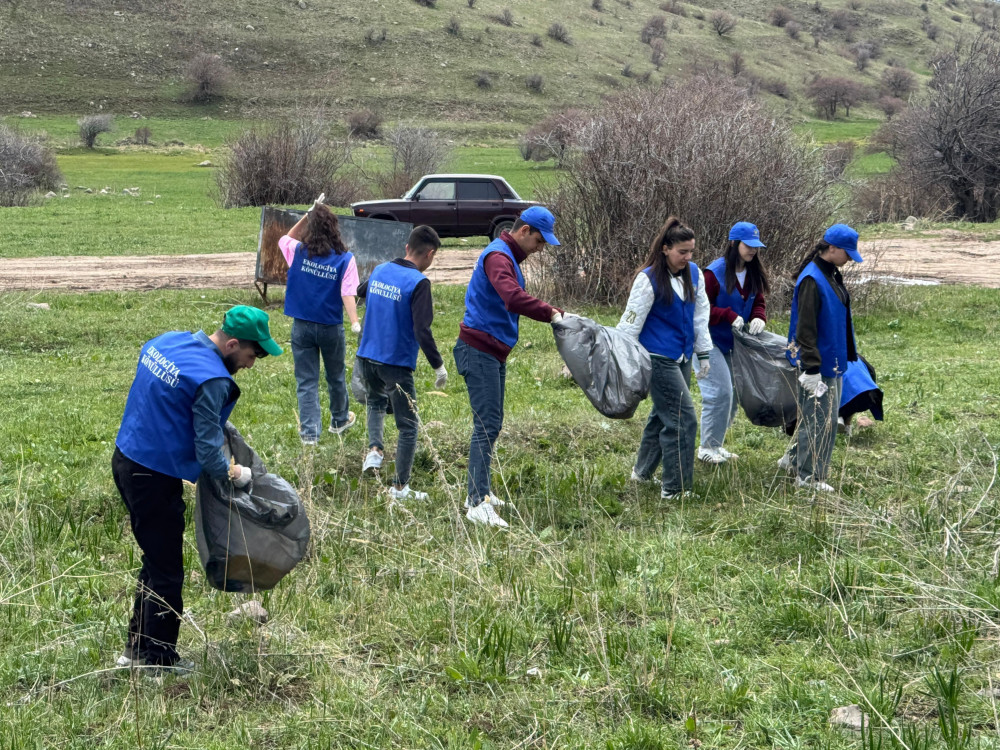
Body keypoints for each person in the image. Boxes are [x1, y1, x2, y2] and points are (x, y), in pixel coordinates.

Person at [112, 305, 282, 672]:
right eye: (251, 355)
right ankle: (157, 660)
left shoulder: (167, 342)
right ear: (233, 344)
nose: (251, 364)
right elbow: (207, 451)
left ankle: (135, 650)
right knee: (168, 570)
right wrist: (237, 474)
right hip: (153, 477)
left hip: (126, 456)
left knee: (155, 560)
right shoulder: (213, 380)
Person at [455, 206, 564, 528]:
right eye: (540, 241)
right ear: (525, 230)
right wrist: (552, 313)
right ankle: (477, 502)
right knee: (486, 424)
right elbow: (512, 298)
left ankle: (480, 489)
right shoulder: (498, 257)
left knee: (492, 422)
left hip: (492, 350)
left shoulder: (508, 256)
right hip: (479, 349)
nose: (541, 248)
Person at [618, 217, 711, 500]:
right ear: (665, 249)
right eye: (682, 251)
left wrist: (703, 352)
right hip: (656, 357)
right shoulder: (647, 279)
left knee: (663, 415)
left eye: (691, 251)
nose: (687, 257)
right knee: (683, 418)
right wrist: (624, 361)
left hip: (681, 356)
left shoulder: (695, 274)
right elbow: (629, 324)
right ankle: (675, 488)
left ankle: (642, 472)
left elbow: (700, 315)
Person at [356, 226, 447, 501]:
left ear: (407, 247)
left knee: (374, 402)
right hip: (395, 362)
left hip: (366, 356)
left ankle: (375, 450)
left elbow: (361, 290)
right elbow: (422, 329)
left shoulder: (381, 269)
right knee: (408, 426)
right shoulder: (419, 283)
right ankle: (399, 487)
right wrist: (438, 365)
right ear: (429, 254)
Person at [780, 223, 863, 492]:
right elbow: (805, 329)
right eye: (847, 252)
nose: (850, 258)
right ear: (832, 248)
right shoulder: (812, 280)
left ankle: (791, 460)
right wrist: (812, 369)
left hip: (833, 360)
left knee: (819, 417)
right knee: (820, 422)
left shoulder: (831, 273)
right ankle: (808, 478)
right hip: (818, 364)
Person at [280, 195, 361, 445]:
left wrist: (307, 214)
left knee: (307, 381)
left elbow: (285, 238)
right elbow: (348, 293)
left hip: (301, 326)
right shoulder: (345, 259)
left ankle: (309, 435)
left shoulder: (298, 252)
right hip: (330, 328)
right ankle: (339, 420)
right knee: (335, 376)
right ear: (334, 228)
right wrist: (355, 322)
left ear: (311, 229)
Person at [698, 222, 770, 464]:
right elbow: (701, 310)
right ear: (733, 243)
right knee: (720, 392)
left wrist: (759, 316)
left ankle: (715, 445)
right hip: (709, 342)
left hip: (735, 344)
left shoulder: (752, 273)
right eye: (748, 246)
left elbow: (758, 300)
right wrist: (728, 315)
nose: (753, 251)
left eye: (756, 246)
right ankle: (705, 448)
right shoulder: (713, 273)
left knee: (732, 396)